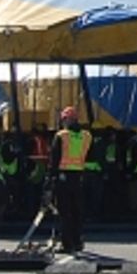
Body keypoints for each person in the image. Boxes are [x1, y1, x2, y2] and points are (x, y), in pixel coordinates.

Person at [48, 105, 90, 253]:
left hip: (63, 176)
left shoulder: (61, 136)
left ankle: (67, 243)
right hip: (78, 176)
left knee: (64, 212)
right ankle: (78, 241)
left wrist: (50, 181)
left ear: (66, 120)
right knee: (77, 210)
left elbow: (54, 160)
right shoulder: (86, 136)